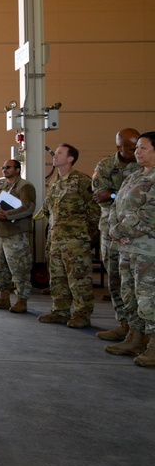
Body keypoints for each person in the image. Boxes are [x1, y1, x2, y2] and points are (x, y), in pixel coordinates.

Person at [38, 143, 101, 328]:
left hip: (76, 241)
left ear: (70, 158)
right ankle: (60, 310)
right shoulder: (55, 183)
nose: (55, 156)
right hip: (56, 241)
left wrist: (86, 235)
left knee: (78, 279)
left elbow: (95, 210)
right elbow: (48, 211)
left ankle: (82, 314)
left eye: (59, 153)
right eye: (55, 153)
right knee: (57, 278)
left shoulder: (81, 181)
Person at [106, 131, 155, 365]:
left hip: (147, 249)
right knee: (130, 294)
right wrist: (114, 229)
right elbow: (115, 206)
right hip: (127, 247)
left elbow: (149, 215)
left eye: (143, 148)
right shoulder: (133, 176)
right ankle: (135, 336)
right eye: (137, 148)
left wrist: (122, 231)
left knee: (149, 297)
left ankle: (154, 344)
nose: (137, 152)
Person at [92, 128, 142, 341]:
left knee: (138, 281)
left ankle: (140, 330)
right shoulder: (105, 165)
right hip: (111, 229)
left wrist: (113, 192)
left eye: (138, 147)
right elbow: (99, 196)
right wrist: (112, 194)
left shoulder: (144, 166)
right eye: (131, 148)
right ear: (118, 147)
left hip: (138, 231)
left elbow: (114, 194)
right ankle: (123, 323)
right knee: (115, 278)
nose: (135, 152)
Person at [0, 159, 37, 314]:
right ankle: (4, 297)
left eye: (8, 167)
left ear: (18, 169)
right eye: (3, 167)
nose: (4, 170)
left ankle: (22, 301)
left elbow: (29, 208)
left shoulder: (25, 186)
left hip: (16, 234)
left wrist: (6, 214)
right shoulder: (2, 188)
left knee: (20, 268)